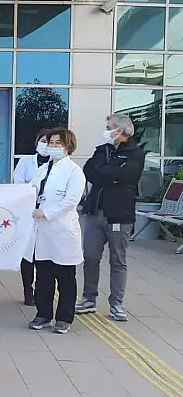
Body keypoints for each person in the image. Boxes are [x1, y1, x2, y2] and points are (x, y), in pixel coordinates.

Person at [76, 115, 144, 322]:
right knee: (90, 257)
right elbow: (89, 171)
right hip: (95, 212)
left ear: (120, 131)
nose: (106, 131)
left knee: (118, 260)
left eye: (109, 127)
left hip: (119, 214)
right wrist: (110, 175)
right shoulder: (102, 150)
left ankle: (116, 304)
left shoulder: (135, 153)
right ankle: (89, 299)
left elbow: (127, 176)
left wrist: (105, 173)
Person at [27, 128, 86, 334]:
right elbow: (31, 190)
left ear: (68, 146)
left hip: (62, 230)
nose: (52, 147)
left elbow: (70, 201)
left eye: (57, 143)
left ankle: (64, 318)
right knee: (43, 277)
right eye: (50, 143)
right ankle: (43, 314)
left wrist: (46, 212)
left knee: (65, 278)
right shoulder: (43, 169)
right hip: (42, 232)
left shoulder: (74, 172)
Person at [12, 129, 50, 306]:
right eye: (43, 141)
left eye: (49, 142)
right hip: (27, 213)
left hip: (47, 214)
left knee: (43, 255)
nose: (46, 145)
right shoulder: (26, 161)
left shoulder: (56, 165)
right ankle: (28, 290)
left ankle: (41, 291)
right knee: (28, 256)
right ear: (36, 142)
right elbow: (19, 184)